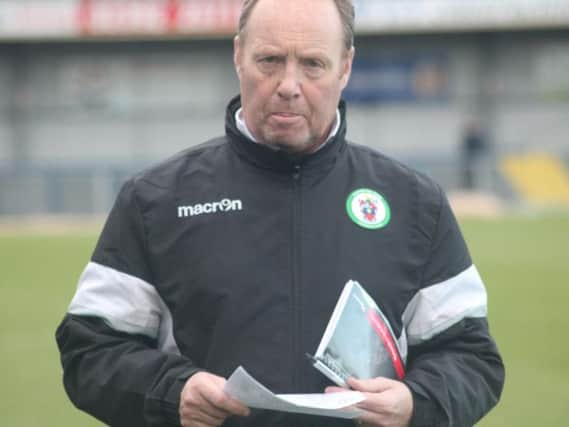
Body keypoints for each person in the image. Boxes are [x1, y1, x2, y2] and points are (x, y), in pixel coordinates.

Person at [56, 0, 504, 426]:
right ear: (238, 56)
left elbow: (471, 358)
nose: (288, 85)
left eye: (312, 63)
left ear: (345, 66)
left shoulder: (414, 203)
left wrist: (415, 403)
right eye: (269, 60)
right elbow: (89, 353)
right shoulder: (155, 200)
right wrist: (173, 392)